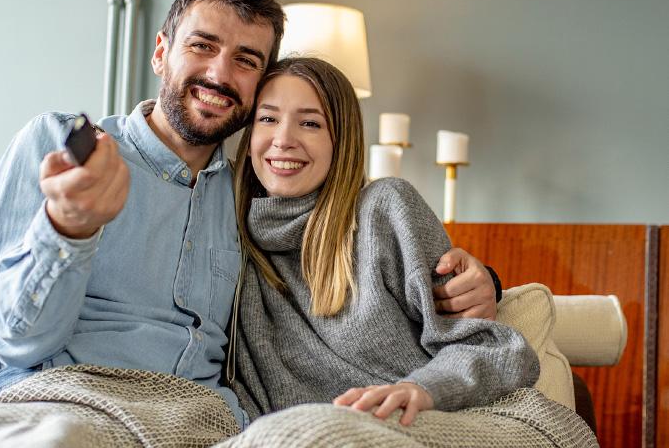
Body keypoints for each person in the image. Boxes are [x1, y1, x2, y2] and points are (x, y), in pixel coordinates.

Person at [0, 0, 499, 427]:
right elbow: (15, 344)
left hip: (201, 426)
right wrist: (68, 228)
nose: (221, 74)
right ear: (160, 51)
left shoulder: (249, 197)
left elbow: (346, 238)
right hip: (64, 404)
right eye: (202, 46)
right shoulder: (62, 150)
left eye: (246, 60)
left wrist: (482, 281)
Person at [230, 56, 538, 425]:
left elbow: (496, 349)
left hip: (421, 424)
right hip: (301, 446)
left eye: (310, 123)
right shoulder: (224, 231)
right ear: (249, 140)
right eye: (268, 119)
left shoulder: (385, 209)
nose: (283, 140)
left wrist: (422, 389)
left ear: (340, 143)